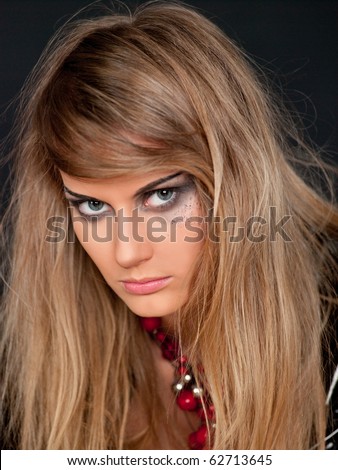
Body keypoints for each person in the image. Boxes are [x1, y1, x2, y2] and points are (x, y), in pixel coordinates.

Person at [0, 0, 337, 450]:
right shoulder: (32, 367)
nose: (127, 252)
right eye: (92, 207)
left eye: (162, 196)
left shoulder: (327, 338)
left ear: (232, 177)